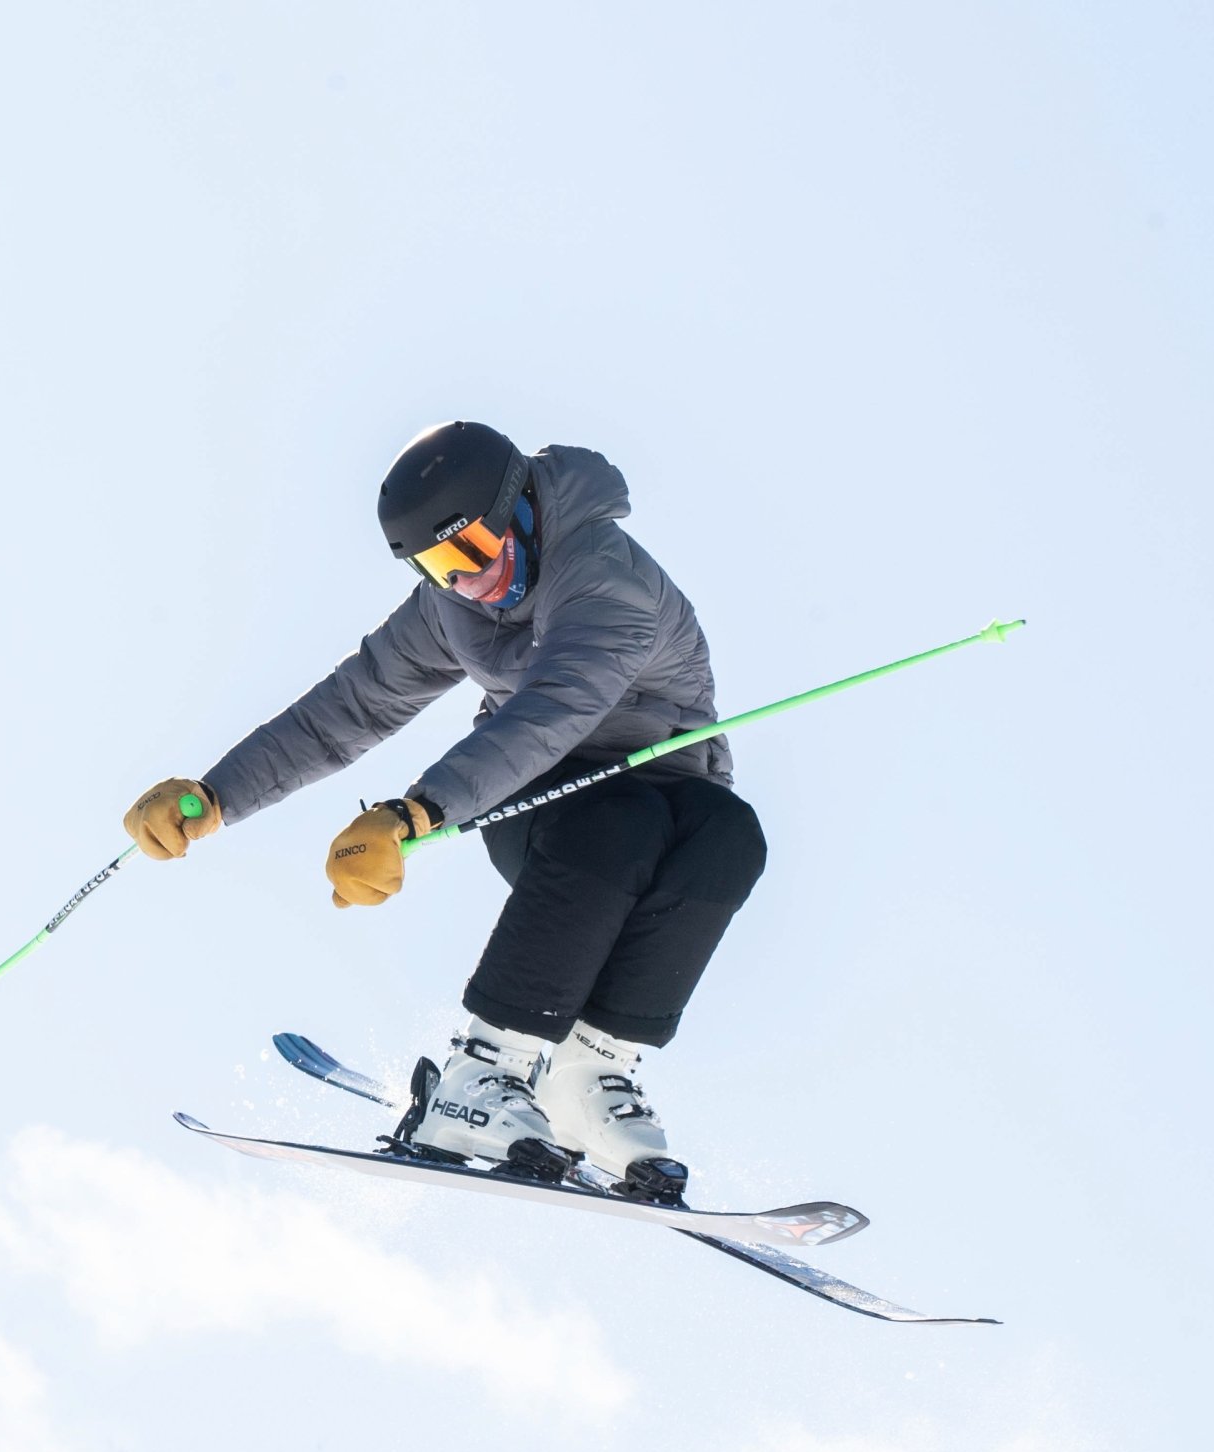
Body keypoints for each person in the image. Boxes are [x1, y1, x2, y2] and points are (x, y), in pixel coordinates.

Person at [120, 422, 765, 1204]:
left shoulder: (602, 578)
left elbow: (555, 710)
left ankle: (588, 1074)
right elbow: (352, 706)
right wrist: (217, 795)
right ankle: (480, 1072)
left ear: (522, 508)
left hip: (653, 784)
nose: (471, 581)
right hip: (549, 808)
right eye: (440, 566)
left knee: (728, 841)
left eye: (475, 549)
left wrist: (416, 811)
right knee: (613, 827)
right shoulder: (450, 607)